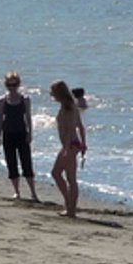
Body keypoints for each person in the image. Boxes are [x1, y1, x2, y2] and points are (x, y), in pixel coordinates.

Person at [0, 72, 36, 200]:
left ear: (18, 84)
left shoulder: (25, 100)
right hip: (8, 134)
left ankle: (33, 192)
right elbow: (0, 119)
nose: (12, 87)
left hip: (22, 133)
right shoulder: (2, 100)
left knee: (27, 163)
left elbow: (28, 117)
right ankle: (17, 191)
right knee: (11, 163)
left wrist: (30, 133)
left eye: (14, 84)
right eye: (9, 84)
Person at [49, 80, 82, 218]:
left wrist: (66, 148)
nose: (51, 95)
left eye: (53, 92)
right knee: (63, 175)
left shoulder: (68, 108)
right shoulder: (72, 105)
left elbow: (69, 129)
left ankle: (70, 208)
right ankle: (69, 206)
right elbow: (81, 126)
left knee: (63, 175)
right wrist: (84, 144)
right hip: (73, 144)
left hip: (70, 145)